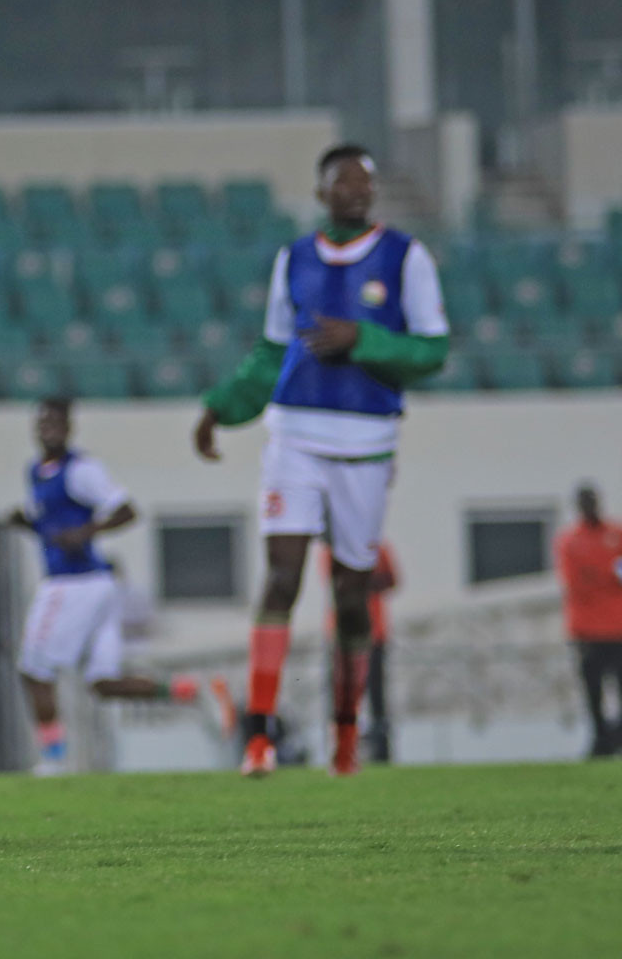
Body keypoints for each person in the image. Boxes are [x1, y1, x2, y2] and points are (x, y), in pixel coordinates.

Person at [193, 145, 447, 778]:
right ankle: (259, 736)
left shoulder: (406, 257)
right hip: (295, 436)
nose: (357, 192)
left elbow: (432, 350)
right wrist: (221, 408)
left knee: (352, 595)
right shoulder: (294, 259)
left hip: (365, 443)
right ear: (321, 192)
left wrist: (363, 339)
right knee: (282, 577)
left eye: (366, 182)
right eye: (344, 182)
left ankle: (345, 731)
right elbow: (271, 351)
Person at [10, 398, 203, 775]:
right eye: (42, 423)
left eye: (55, 422)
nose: (47, 429)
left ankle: (53, 760)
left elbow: (126, 509)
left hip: (73, 583)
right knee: (104, 684)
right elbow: (54, 529)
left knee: (34, 669)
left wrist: (88, 531)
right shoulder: (35, 472)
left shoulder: (81, 470)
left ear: (69, 428)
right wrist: (29, 526)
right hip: (97, 586)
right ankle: (187, 690)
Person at [556, 483, 622, 758]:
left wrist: (606, 574)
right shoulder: (570, 540)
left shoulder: (617, 534)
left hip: (619, 626)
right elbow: (574, 581)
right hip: (587, 628)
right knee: (593, 690)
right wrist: (609, 575)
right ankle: (601, 740)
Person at [317, 539, 399, 762]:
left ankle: (381, 751)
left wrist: (363, 578)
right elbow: (336, 581)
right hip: (341, 634)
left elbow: (391, 580)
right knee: (340, 694)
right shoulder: (332, 548)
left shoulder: (378, 547)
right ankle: (341, 747)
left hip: (374, 634)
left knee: (376, 695)